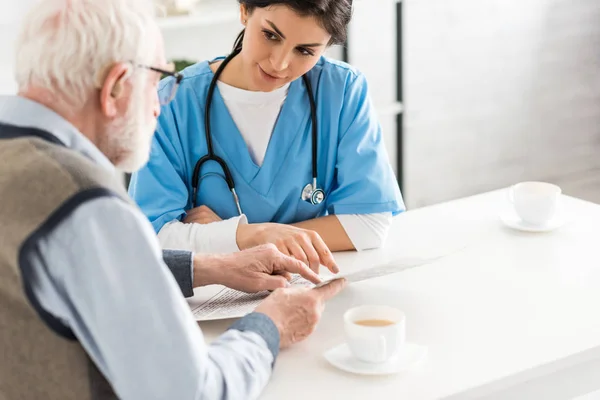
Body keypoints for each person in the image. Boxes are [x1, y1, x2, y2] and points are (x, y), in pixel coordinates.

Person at [0, 1, 346, 399]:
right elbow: (192, 392)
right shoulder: (86, 206)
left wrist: (211, 267)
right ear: (115, 86)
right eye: (158, 81)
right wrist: (270, 325)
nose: (159, 103)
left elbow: (71, 267)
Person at [128, 0, 405, 273]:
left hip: (305, 288)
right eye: (271, 35)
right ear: (245, 10)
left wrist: (247, 236)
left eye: (305, 51)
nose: (280, 63)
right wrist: (257, 237)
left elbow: (369, 224)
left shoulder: (342, 92)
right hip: (207, 300)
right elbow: (154, 239)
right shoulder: (171, 102)